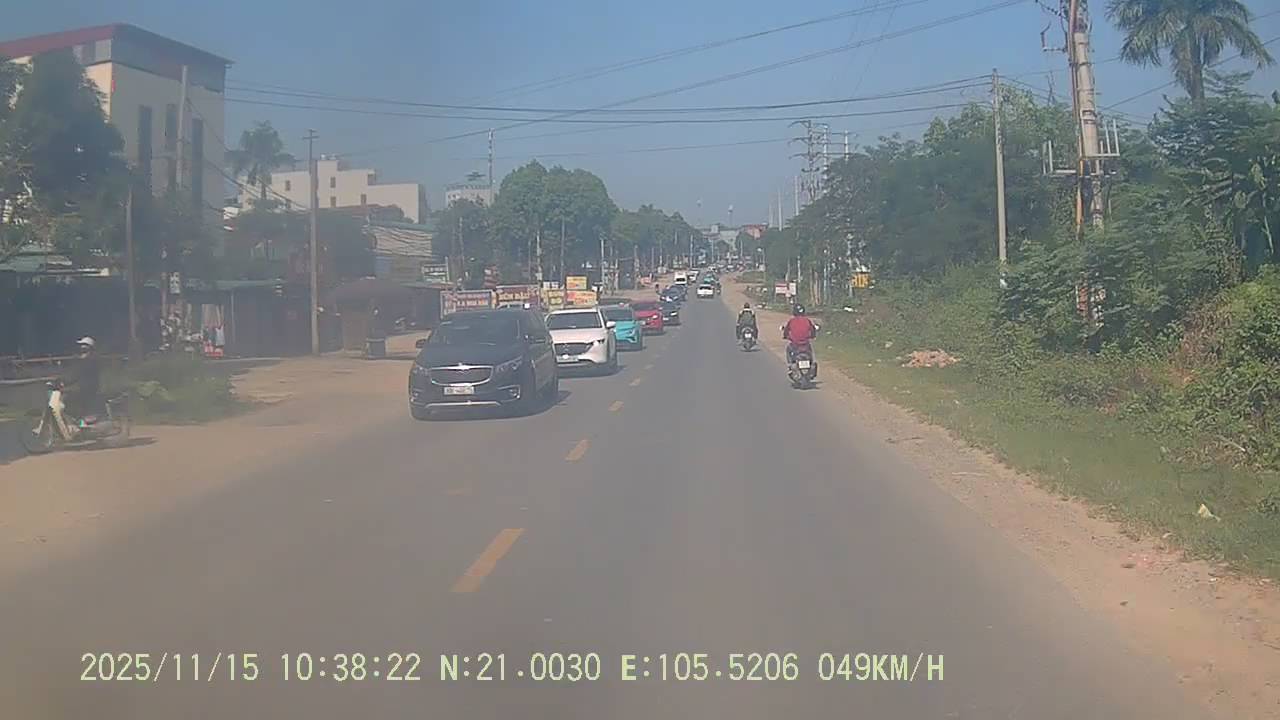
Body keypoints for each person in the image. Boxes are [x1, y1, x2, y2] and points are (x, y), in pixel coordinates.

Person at [69, 336, 102, 421]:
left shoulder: (91, 359)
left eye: (84, 345)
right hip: (85, 386)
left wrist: (66, 382)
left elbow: (78, 373)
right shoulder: (86, 358)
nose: (81, 347)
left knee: (73, 401)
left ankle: (83, 420)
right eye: (81, 345)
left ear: (89, 347)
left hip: (89, 387)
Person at [781, 304, 819, 369]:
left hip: (795, 344)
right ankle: (811, 362)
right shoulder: (807, 320)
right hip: (805, 344)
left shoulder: (792, 321)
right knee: (810, 351)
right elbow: (812, 330)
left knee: (788, 349)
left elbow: (786, 331)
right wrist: (813, 336)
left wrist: (785, 336)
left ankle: (790, 365)